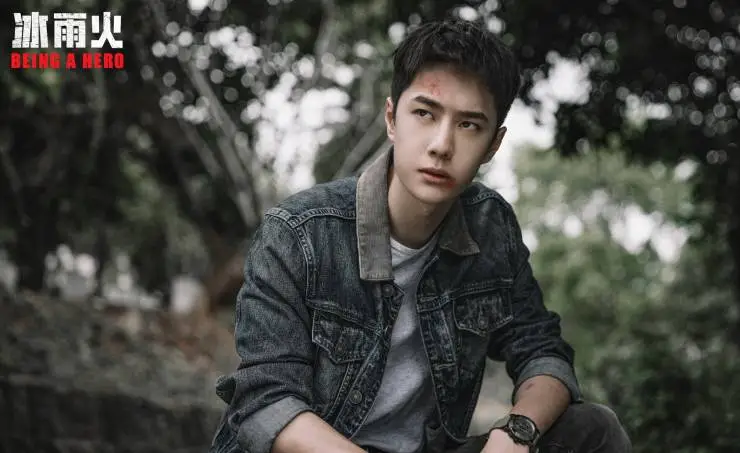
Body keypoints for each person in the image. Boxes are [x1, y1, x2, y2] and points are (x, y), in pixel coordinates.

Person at [209, 18, 632, 453]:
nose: (441, 145)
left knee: (592, 429)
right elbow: (266, 402)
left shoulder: (491, 227)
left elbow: (542, 351)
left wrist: (516, 433)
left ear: (493, 145)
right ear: (392, 119)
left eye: (469, 125)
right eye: (425, 114)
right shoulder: (298, 234)